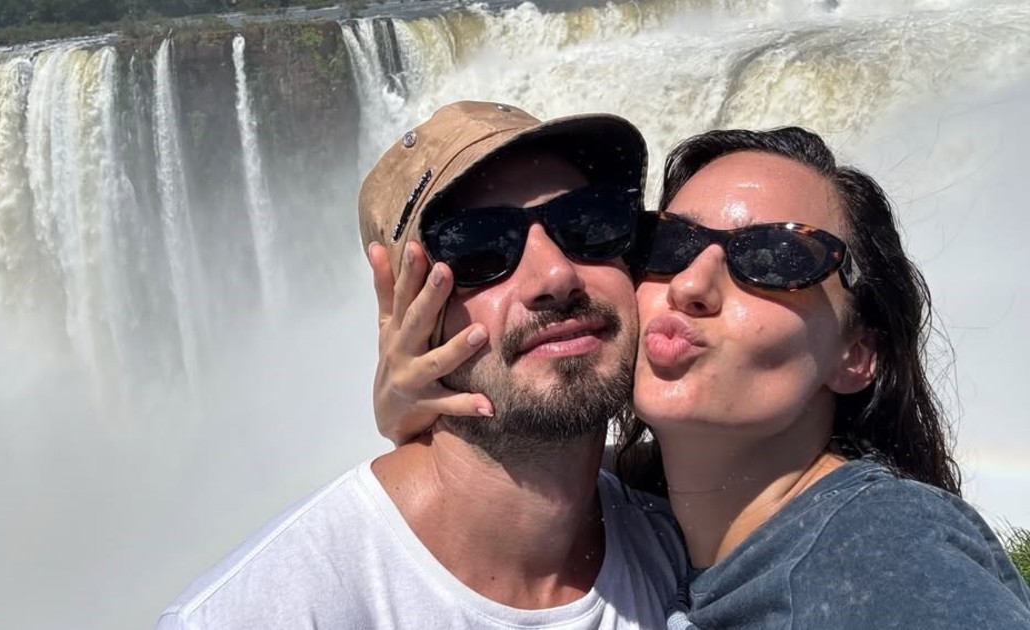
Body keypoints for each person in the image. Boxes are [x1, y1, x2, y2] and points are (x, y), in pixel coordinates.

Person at [372, 126, 1030, 628]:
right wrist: (422, 418)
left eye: (773, 256)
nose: (691, 284)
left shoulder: (884, 556)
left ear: (855, 354)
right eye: (670, 243)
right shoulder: (649, 517)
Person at [157, 101, 687, 629]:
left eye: (589, 222)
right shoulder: (264, 612)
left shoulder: (686, 545)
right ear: (406, 320)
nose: (556, 276)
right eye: (480, 247)